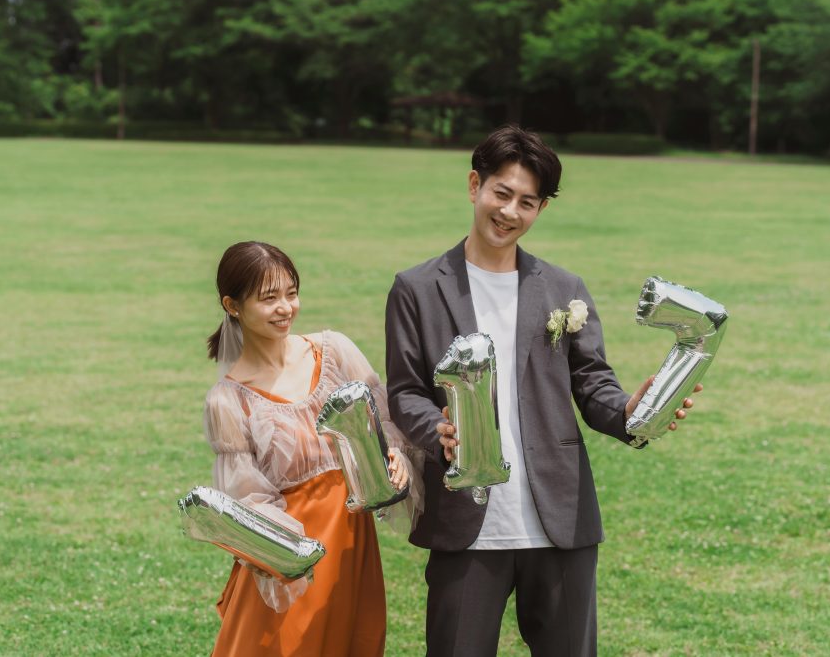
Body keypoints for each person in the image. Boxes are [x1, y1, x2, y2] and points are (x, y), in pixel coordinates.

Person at [384, 125, 700, 657]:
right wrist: (438, 431)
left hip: (560, 520)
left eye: (527, 203)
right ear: (474, 185)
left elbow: (592, 383)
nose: (510, 212)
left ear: (541, 209)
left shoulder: (563, 288)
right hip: (465, 521)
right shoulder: (416, 288)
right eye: (502, 193)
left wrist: (631, 408)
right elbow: (406, 390)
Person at [202, 241, 422, 657]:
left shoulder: (335, 351)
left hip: (351, 542)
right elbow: (248, 500)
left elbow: (385, 422)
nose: (285, 308)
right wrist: (293, 557)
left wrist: (395, 457)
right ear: (232, 306)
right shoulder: (227, 401)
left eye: (291, 293)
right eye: (269, 298)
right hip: (291, 559)